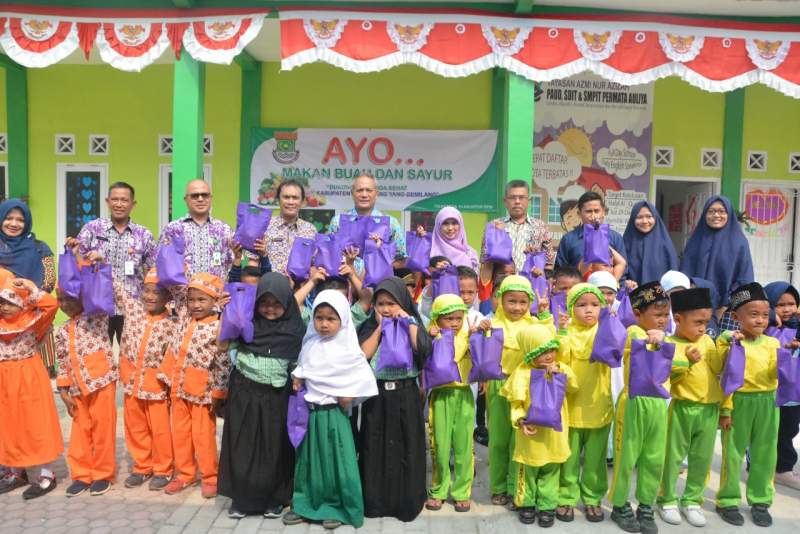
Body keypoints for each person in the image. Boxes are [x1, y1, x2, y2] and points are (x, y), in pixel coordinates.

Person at [283, 290, 378, 530]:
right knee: (309, 463)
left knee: (338, 462)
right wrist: (298, 378)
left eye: (330, 319)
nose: (324, 324)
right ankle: (306, 505)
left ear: (343, 319)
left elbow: (363, 377)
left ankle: (337, 506)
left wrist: (351, 395)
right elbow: (304, 367)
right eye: (319, 318)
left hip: (334, 415)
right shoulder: (311, 343)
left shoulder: (348, 348)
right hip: (310, 415)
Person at [218, 273, 305, 519]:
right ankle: (242, 499)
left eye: (276, 303)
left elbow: (300, 364)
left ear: (287, 303)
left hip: (277, 398)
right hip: (244, 394)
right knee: (242, 447)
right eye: (264, 302)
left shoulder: (295, 331)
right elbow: (222, 345)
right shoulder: (245, 323)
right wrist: (226, 315)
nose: (270, 308)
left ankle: (275, 499)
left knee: (274, 449)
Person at [356, 277, 432, 522]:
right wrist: (381, 328)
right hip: (377, 396)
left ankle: (406, 502)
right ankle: (376, 501)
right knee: (374, 445)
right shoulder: (370, 326)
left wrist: (406, 320)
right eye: (380, 303)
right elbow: (362, 355)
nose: (386, 309)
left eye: (392, 303)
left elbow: (422, 348)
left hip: (405, 394)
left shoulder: (412, 322)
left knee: (407, 445)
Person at [477, 275, 554, 507]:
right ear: (500, 300)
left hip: (526, 388)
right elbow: (480, 353)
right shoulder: (492, 323)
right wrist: (481, 332)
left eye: (523, 302)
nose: (517, 307)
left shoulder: (534, 325)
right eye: (511, 301)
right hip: (500, 386)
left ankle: (514, 486)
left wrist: (544, 316)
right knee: (499, 439)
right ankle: (498, 486)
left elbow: (549, 341)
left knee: (519, 441)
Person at [158, 273, 231, 498]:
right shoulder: (183, 319)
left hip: (202, 393)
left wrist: (219, 392)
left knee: (203, 437)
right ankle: (185, 474)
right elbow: (176, 286)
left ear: (214, 301)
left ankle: (210, 476)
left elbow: (223, 362)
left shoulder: (219, 326)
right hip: (179, 390)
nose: (196, 305)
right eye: (192, 300)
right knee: (179, 434)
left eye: (202, 300)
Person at [656, 287, 724, 527]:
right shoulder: (669, 343)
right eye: (697, 322)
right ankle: (667, 499)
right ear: (678, 319)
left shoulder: (707, 340)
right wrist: (686, 361)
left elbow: (717, 368)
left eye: (706, 322)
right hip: (682, 407)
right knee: (673, 457)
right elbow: (665, 377)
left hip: (709, 409)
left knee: (701, 458)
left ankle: (693, 500)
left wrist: (725, 344)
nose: (702, 327)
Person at [715, 283, 780, 528]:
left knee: (765, 453)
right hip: (740, 401)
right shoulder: (729, 340)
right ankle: (728, 500)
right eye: (753, 314)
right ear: (735, 317)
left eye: (765, 315)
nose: (761, 320)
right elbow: (725, 372)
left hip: (768, 402)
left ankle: (761, 500)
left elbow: (775, 374)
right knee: (732, 452)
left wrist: (790, 357)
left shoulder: (772, 344)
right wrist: (726, 409)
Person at [609, 281, 671, 534]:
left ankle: (646, 504)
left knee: (654, 457)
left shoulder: (662, 336)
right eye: (657, 315)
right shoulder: (632, 331)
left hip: (658, 405)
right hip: (633, 402)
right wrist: (657, 339)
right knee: (627, 457)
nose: (662, 320)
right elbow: (637, 343)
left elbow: (674, 360)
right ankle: (620, 503)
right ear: (637, 314)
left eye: (666, 315)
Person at [502, 324, 577, 527]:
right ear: (529, 353)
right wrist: (520, 421)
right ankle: (526, 503)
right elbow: (515, 403)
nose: (549, 355)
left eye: (551, 350)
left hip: (553, 434)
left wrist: (560, 372)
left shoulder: (561, 367)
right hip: (531, 434)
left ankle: (547, 506)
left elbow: (574, 385)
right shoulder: (522, 373)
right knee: (528, 470)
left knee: (551, 470)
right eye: (541, 352)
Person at [113, 268, 177, 492]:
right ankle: (142, 466)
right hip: (131, 383)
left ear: (168, 297)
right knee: (135, 427)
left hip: (156, 386)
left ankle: (163, 469)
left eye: (156, 292)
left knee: (160, 430)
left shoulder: (173, 323)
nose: (150, 296)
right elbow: (116, 289)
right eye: (147, 291)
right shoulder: (133, 311)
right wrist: (97, 265)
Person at [0, 277, 61, 500]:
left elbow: (51, 305)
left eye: (10, 302)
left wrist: (30, 288)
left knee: (36, 424)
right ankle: (17, 471)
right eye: (2, 302)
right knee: (8, 425)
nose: (4, 307)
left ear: (23, 304)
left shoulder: (34, 320)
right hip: (3, 380)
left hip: (29, 377)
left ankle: (47, 474)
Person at [556, 283, 613, 523]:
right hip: (571, 405)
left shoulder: (605, 329)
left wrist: (612, 321)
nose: (589, 310)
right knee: (568, 457)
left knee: (595, 459)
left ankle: (592, 497)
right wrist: (560, 332)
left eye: (594, 304)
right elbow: (559, 359)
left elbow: (619, 347)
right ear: (570, 308)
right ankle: (566, 497)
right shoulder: (567, 332)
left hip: (598, 404)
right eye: (581, 305)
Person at [55, 286, 118, 498]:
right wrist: (63, 390)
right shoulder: (63, 330)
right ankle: (81, 475)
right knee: (80, 432)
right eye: (60, 300)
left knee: (103, 431)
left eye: (69, 299)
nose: (64, 305)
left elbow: (103, 289)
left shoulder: (97, 317)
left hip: (101, 382)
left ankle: (102, 474)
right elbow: (62, 362)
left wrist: (79, 259)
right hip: (76, 389)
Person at [77, 182, 156, 344]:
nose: (119, 204)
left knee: (132, 357)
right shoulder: (92, 229)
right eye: (115, 199)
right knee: (98, 358)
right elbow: (78, 263)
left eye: (124, 200)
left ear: (133, 204)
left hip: (132, 307)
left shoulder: (144, 235)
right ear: (107, 201)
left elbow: (153, 270)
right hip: (98, 307)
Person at [426, 294, 474, 513]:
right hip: (441, 396)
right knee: (440, 445)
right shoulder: (430, 336)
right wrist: (429, 339)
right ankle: (438, 489)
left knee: (464, 446)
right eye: (448, 319)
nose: (455, 323)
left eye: (458, 318)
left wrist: (478, 335)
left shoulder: (469, 334)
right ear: (436, 319)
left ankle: (462, 491)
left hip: (463, 395)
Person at [680, 196, 754, 332]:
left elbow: (744, 279)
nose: (716, 215)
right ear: (705, 214)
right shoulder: (696, 240)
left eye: (721, 211)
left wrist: (723, 307)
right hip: (694, 307)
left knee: (723, 348)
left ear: (729, 214)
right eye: (711, 211)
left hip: (726, 312)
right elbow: (685, 273)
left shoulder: (739, 243)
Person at [0, 200, 57, 375]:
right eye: (9, 218)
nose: (14, 224)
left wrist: (25, 295)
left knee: (36, 376)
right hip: (2, 320)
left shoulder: (40, 248)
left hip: (33, 320)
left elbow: (49, 280)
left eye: (20, 220)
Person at [158, 179, 234, 280]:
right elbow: (162, 265)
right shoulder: (173, 229)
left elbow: (232, 265)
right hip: (182, 294)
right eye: (195, 196)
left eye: (205, 195)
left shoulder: (224, 230)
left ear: (210, 198)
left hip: (216, 294)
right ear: (186, 199)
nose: (200, 199)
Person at [764, 282, 800, 490]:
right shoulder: (766, 326)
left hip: (793, 392)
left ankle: (783, 469)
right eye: (780, 305)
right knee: (766, 431)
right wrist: (769, 315)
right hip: (768, 390)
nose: (787, 309)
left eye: (792, 304)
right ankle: (760, 466)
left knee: (788, 429)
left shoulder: (797, 326)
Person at [327, 174, 406, 267]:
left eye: (369, 190)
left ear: (376, 194)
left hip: (380, 281)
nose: (364, 195)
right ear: (352, 194)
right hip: (345, 279)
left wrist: (382, 267)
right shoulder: (338, 221)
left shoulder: (391, 223)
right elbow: (329, 254)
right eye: (359, 190)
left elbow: (401, 259)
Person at [483, 180, 553, 272]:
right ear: (505, 201)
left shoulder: (541, 227)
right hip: (502, 283)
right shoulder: (494, 226)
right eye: (512, 198)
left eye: (521, 197)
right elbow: (485, 261)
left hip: (530, 283)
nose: (517, 201)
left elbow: (549, 264)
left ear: (529, 200)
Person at [555, 191, 627, 281]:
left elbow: (623, 272)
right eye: (588, 211)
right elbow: (560, 272)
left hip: (607, 292)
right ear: (579, 214)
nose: (593, 216)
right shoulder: (569, 239)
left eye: (596, 211)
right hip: (577, 292)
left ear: (603, 212)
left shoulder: (615, 238)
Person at [263, 179, 317, 276]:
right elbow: (253, 263)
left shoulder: (310, 230)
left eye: (295, 198)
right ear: (278, 200)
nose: (290, 202)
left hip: (301, 288)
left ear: (302, 201)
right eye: (286, 197)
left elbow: (314, 265)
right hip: (271, 288)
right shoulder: (265, 226)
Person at [622, 201, 678, 286]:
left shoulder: (665, 245)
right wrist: (625, 283)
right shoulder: (625, 244)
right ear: (633, 219)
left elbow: (674, 274)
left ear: (655, 218)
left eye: (649, 216)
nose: (644, 221)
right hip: (632, 295)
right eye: (639, 217)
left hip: (661, 297)